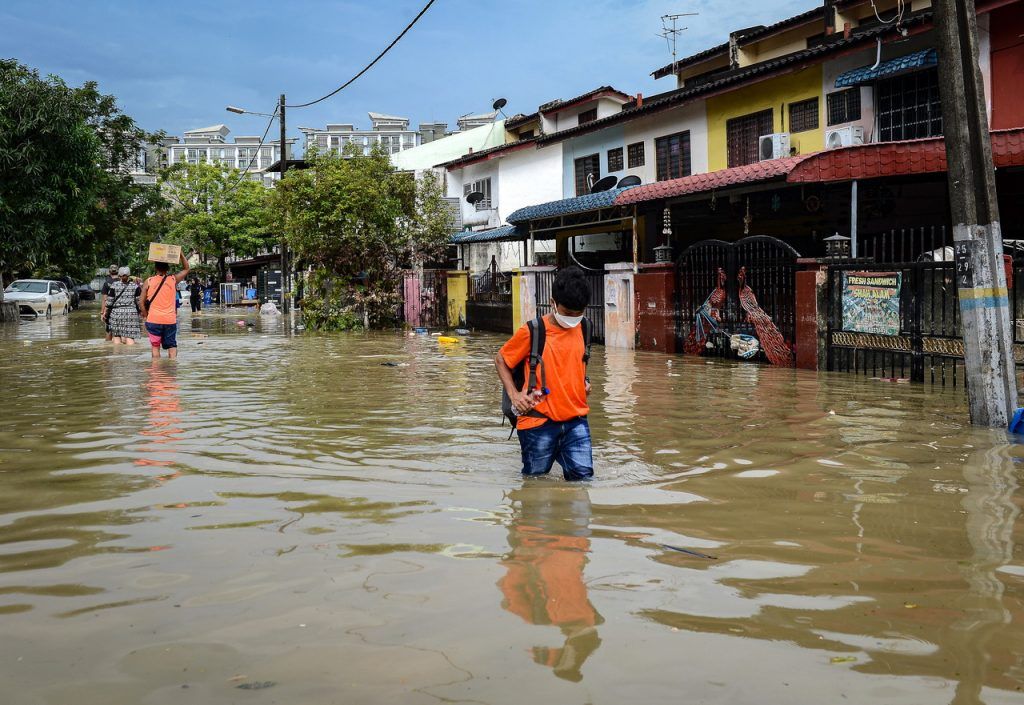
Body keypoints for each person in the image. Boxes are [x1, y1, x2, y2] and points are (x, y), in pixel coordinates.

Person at [495, 266, 593, 481]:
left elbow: (576, 363)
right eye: (568, 313)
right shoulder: (533, 331)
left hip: (576, 420)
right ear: (553, 302)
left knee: (583, 483)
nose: (573, 319)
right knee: (535, 486)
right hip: (537, 422)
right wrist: (514, 395)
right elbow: (501, 358)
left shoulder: (585, 327)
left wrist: (584, 382)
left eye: (579, 313)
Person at [139, 250, 190, 359]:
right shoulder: (173, 280)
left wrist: (146, 316)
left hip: (153, 320)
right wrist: (180, 254)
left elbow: (141, 303)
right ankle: (172, 369)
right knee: (172, 346)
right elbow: (186, 269)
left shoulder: (149, 281)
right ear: (167, 269)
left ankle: (156, 372)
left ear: (155, 268)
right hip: (169, 320)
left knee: (155, 347)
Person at [103, 266, 142, 344]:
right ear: (129, 275)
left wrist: (105, 312)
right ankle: (130, 354)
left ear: (119, 275)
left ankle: (117, 353)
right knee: (130, 337)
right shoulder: (135, 287)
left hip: (116, 313)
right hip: (131, 313)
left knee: (116, 336)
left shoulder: (114, 285)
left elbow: (109, 302)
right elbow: (139, 302)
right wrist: (141, 312)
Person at [100, 264, 118, 342]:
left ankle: (108, 348)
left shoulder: (107, 283)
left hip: (110, 310)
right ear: (117, 272)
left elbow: (104, 299)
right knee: (120, 333)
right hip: (120, 310)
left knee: (108, 330)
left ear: (109, 272)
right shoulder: (122, 282)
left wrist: (102, 312)